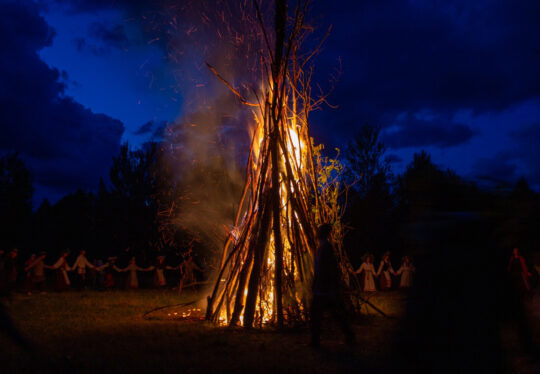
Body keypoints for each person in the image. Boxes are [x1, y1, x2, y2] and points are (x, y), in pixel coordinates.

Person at [310, 223, 355, 347]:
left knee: (331, 313)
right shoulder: (322, 248)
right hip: (322, 288)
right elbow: (319, 269)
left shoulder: (326, 248)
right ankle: (315, 340)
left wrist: (332, 286)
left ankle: (349, 335)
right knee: (319, 314)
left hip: (325, 289)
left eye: (318, 232)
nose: (316, 233)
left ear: (322, 234)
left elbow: (330, 268)